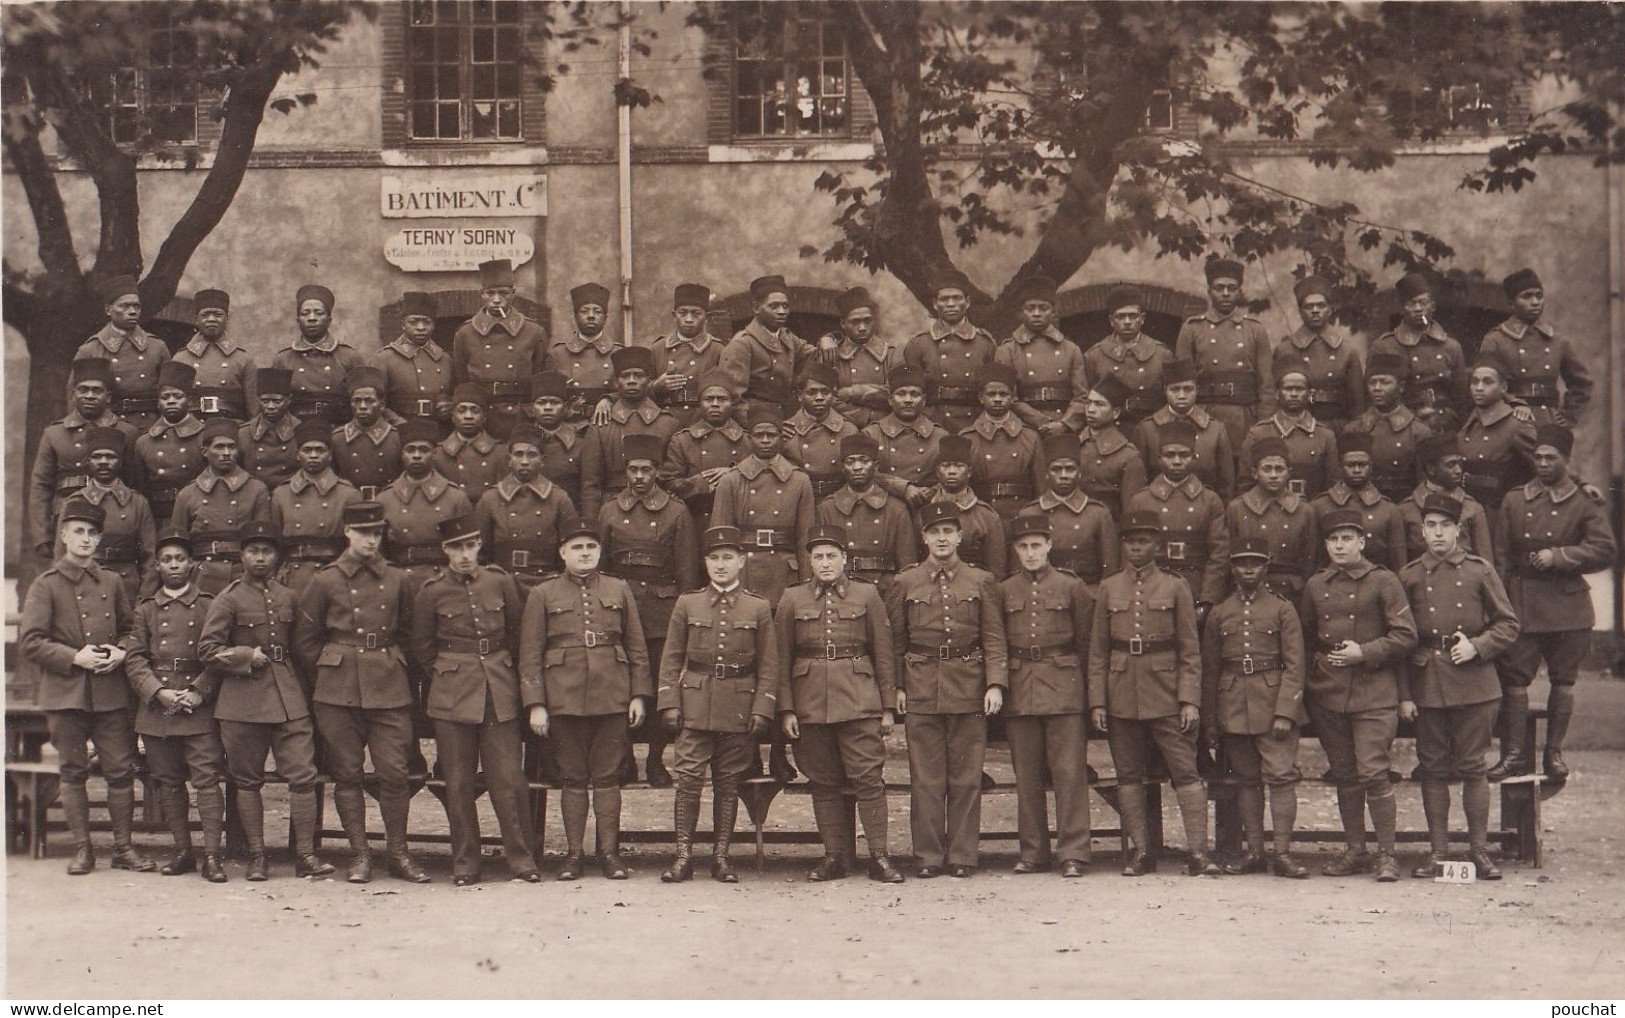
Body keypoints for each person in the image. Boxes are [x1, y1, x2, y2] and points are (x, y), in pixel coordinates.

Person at [292, 501, 429, 885]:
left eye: (377, 533)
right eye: (363, 532)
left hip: (388, 684)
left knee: (395, 773)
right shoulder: (325, 580)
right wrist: (331, 666)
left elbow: (409, 632)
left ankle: (398, 854)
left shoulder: (398, 579)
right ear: (347, 533)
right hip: (337, 689)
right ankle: (360, 855)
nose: (371, 540)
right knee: (347, 773)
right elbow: (305, 640)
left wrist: (395, 666)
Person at [19, 498, 154, 875]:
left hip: (110, 693)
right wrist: (74, 658)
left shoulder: (111, 581)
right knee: (73, 770)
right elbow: (31, 642)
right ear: (63, 535)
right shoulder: (45, 585)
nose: (85, 539)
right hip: (65, 693)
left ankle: (124, 849)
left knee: (120, 770)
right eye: (78, 531)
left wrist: (119, 651)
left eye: (93, 532)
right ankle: (83, 850)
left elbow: (131, 631)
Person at [198, 521, 335, 881]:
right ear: (242, 556)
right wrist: (244, 655)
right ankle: (258, 855)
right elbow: (207, 651)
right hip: (242, 700)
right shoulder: (227, 599)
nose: (260, 558)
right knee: (246, 780)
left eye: (267, 551)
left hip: (288, 695)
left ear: (278, 557)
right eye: (253, 551)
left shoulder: (289, 596)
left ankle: (305, 854)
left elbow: (303, 646)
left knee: (304, 776)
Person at [410, 514, 541, 885]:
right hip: (452, 693)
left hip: (498, 690)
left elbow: (518, 633)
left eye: (470, 546)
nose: (464, 554)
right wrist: (450, 670)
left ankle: (522, 859)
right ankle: (465, 862)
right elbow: (422, 645)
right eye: (456, 548)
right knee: (458, 781)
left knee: (508, 779)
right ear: (445, 550)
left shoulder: (500, 582)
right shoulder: (431, 591)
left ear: (479, 546)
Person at [1087, 510, 1215, 876]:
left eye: (1144, 541)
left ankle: (1198, 854)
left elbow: (1190, 651)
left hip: (1167, 694)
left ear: (1157, 545)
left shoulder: (1176, 587)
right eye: (1131, 541)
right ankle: (1142, 853)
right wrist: (1098, 701)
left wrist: (1189, 699)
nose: (1137, 547)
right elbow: (1098, 651)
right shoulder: (1109, 588)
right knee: (1128, 776)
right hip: (1121, 693)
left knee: (1186, 774)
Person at [521, 520, 651, 880]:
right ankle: (574, 855)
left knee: (608, 778)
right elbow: (530, 654)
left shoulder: (618, 588)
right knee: (573, 779)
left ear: (599, 552)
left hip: (612, 695)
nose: (584, 554)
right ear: (563, 553)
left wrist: (639, 695)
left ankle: (609, 854)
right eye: (576, 548)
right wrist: (536, 703)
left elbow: (636, 647)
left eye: (590, 548)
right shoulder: (543, 594)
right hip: (562, 697)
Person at [1399, 494, 1520, 880]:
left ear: (1458, 529)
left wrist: (1478, 646)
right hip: (1428, 681)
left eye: (1445, 526)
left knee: (1473, 768)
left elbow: (1508, 624)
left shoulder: (1479, 571)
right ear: (1421, 531)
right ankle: (1438, 852)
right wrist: (1405, 692)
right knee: (1433, 768)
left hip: (1474, 682)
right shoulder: (1409, 575)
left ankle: (1479, 851)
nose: (1437, 533)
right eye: (1430, 526)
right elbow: (1399, 639)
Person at [775, 525, 904, 883]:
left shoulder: (866, 595)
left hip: (859, 699)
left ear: (844, 559)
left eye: (832, 556)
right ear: (809, 561)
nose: (825, 563)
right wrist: (786, 709)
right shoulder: (792, 598)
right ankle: (834, 856)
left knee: (868, 778)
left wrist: (887, 706)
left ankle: (879, 856)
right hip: (810, 702)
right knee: (823, 781)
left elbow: (883, 652)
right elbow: (780, 659)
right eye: (818, 556)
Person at [886, 502, 1008, 879]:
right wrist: (896, 689)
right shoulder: (905, 582)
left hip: (969, 685)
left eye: (948, 532)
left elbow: (993, 636)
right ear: (924, 538)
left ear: (959, 537)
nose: (941, 539)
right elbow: (894, 642)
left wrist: (995, 683)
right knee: (925, 778)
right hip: (921, 685)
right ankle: (927, 856)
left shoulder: (980, 581)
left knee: (966, 777)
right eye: (934, 532)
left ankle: (962, 856)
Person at [656, 526, 781, 883]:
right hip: (693, 705)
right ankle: (683, 856)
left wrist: (762, 709)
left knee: (727, 784)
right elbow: (671, 658)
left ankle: (721, 857)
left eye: (728, 557)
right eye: (714, 558)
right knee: (689, 781)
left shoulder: (757, 608)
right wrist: (669, 702)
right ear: (705, 562)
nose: (721, 565)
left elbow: (768, 666)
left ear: (742, 561)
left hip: (738, 706)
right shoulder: (687, 603)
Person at [1491, 425, 1615, 781]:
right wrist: (1501, 605)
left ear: (1567, 460)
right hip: (1522, 602)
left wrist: (1559, 556)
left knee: (1563, 681)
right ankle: (1514, 754)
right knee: (1514, 679)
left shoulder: (1583, 502)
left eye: (1551, 457)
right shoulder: (1514, 499)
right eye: (1538, 457)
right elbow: (1500, 557)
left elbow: (1605, 549)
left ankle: (1554, 754)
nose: (1543, 463)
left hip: (1567, 606)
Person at [1300, 509, 1418, 881]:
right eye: (1333, 540)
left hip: (1374, 692)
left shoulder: (1384, 581)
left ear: (1362, 542)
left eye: (1347, 538)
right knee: (1346, 774)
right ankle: (1355, 851)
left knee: (1373, 772)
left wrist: (1364, 653)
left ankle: (1386, 854)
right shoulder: (1316, 585)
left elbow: (1406, 635)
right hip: (1329, 694)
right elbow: (1304, 639)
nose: (1339, 546)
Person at [121, 528, 226, 882]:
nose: (174, 565)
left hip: (197, 704)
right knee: (167, 781)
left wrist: (200, 690)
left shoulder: (210, 604)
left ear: (192, 563)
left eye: (180, 558)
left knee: (206, 780)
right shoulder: (146, 609)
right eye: (166, 559)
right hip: (160, 707)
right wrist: (157, 692)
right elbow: (134, 659)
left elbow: (219, 654)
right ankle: (183, 850)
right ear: (158, 565)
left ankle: (212, 855)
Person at [1200, 538, 1310, 878]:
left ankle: (1283, 854)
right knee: (1247, 781)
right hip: (1233, 705)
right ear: (1232, 568)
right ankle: (1256, 853)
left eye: (1256, 563)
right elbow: (1211, 669)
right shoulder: (1220, 612)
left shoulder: (1282, 609)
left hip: (1273, 702)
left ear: (1266, 566)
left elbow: (1295, 665)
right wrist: (1212, 720)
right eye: (1242, 563)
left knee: (1280, 778)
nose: (1249, 569)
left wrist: (1285, 712)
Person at [599, 432, 700, 787]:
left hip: (662, 611)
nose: (639, 477)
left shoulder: (677, 511)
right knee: (620, 686)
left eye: (646, 470)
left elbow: (687, 572)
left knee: (660, 688)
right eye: (632, 470)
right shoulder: (609, 511)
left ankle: (656, 760)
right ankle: (624, 759)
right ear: (625, 471)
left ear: (657, 470)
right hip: (622, 609)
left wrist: (685, 617)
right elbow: (602, 569)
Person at [1000, 514, 1094, 877]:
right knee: (1027, 776)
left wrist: (1086, 693)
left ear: (1049, 546)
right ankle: (1033, 851)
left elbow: (1087, 644)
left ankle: (1073, 852)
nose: (1029, 553)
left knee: (1070, 774)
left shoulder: (1072, 587)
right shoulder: (1005, 589)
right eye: (1023, 547)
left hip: (1064, 688)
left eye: (1036, 545)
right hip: (1021, 689)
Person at [30, 358, 141, 565]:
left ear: (108, 397)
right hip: (67, 516)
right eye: (83, 390)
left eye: (96, 391)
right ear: (73, 395)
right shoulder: (55, 434)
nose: (89, 395)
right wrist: (42, 534)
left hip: (114, 518)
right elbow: (41, 486)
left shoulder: (127, 432)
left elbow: (134, 483)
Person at [710, 405, 814, 606]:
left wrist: (806, 584)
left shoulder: (799, 481)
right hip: (744, 573)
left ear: (782, 437)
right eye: (759, 435)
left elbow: (805, 540)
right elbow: (720, 537)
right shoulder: (731, 481)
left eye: (771, 435)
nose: (765, 441)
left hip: (784, 574)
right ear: (749, 437)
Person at [1125, 418, 1226, 610]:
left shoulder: (1210, 500)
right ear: (1159, 459)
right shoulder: (1142, 500)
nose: (1177, 461)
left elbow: (1218, 554)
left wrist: (1206, 600)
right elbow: (1131, 553)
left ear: (1194, 457)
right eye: (1170, 455)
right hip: (1151, 588)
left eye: (1183, 455)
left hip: (1194, 587)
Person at [1175, 258, 1274, 449]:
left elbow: (1267, 385)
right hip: (1205, 416)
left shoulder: (1255, 330)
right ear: (1209, 292)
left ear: (1239, 291)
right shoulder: (1192, 329)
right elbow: (1181, 382)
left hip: (1244, 418)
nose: (1226, 293)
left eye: (1232, 288)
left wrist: (1264, 426)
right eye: (1219, 288)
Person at [1478, 268, 1592, 429]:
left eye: (1539, 295)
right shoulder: (1496, 340)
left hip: (1548, 422)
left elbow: (1582, 383)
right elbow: (1483, 386)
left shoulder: (1557, 341)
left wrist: (1567, 417)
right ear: (1511, 303)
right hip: (1510, 422)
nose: (1535, 302)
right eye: (1527, 296)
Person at [171, 419, 273, 595]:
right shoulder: (187, 494)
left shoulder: (256, 490)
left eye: (232, 447)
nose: (226, 453)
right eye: (219, 447)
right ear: (205, 451)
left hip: (243, 575)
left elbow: (263, 542)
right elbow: (178, 546)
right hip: (202, 577)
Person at [451, 258, 549, 440]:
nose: (496, 300)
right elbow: (461, 379)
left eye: (503, 293)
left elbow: (539, 374)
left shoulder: (534, 332)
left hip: (521, 414)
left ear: (513, 294)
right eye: (490, 293)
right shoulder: (465, 333)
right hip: (482, 416)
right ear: (482, 294)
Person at [472, 423, 579, 590]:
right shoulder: (490, 499)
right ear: (509, 460)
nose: (524, 461)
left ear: (542, 461)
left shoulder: (559, 499)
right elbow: (479, 554)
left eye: (531, 455)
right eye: (518, 454)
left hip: (547, 584)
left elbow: (570, 552)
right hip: (503, 584)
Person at [579, 345, 681, 520]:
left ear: (650, 381)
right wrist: (592, 525)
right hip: (612, 511)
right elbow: (590, 484)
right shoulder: (601, 424)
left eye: (639, 375)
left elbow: (673, 476)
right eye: (625, 376)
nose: (632, 381)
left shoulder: (667, 423)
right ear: (616, 382)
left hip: (658, 511)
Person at [1217, 437, 1319, 607]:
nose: (1273, 475)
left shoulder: (1304, 511)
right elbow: (1226, 558)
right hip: (1248, 592)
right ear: (1254, 473)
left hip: (1291, 594)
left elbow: (1310, 562)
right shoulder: (1238, 509)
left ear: (1288, 472)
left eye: (1279, 469)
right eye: (1267, 469)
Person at [817, 433, 919, 598]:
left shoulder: (896, 509)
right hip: (842, 593)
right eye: (850, 462)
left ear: (875, 466)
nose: (857, 467)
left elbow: (908, 566)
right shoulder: (827, 509)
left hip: (886, 592)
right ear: (842, 468)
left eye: (864, 461)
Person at [378, 419, 473, 591]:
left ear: (434, 453)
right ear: (401, 454)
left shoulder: (455, 498)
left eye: (423, 450)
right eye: (410, 450)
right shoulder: (385, 499)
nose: (416, 455)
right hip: (399, 582)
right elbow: (379, 553)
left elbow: (467, 552)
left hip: (444, 582)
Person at [902, 270, 1001, 433]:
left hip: (974, 425)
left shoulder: (985, 343)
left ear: (967, 302)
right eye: (944, 299)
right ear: (935, 304)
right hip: (932, 425)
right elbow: (908, 391)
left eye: (956, 298)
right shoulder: (919, 344)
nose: (950, 304)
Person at [1368, 272, 1468, 432]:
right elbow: (1373, 399)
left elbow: (1461, 399)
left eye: (1423, 303)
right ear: (1401, 308)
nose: (1418, 309)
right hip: (1399, 427)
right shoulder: (1384, 347)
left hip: (1443, 424)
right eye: (1411, 304)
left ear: (1433, 306)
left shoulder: (1451, 347)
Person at [270, 421, 361, 595]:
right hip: (293, 578)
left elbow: (355, 546)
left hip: (334, 575)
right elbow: (274, 544)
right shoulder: (281, 494)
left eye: (320, 450)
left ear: (330, 455)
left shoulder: (348, 494)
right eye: (307, 450)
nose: (313, 455)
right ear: (297, 455)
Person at [70, 275, 170, 430]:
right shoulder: (91, 349)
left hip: (149, 429)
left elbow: (170, 393)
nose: (132, 312)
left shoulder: (157, 347)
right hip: (106, 429)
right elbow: (74, 399)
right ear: (108, 310)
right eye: (124, 306)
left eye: (136, 307)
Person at [721, 274, 825, 419]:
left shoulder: (786, 337)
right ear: (757, 308)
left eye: (785, 306)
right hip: (757, 421)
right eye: (773, 306)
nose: (781, 312)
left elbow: (817, 356)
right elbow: (733, 399)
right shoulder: (742, 344)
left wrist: (829, 339)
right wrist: (763, 424)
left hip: (785, 415)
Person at [996, 275, 1089, 436]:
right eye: (1030, 308)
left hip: (1063, 429)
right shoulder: (1008, 350)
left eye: (1043, 308)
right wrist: (1042, 422)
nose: (1037, 313)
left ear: (1054, 312)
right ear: (1021, 313)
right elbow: (1008, 397)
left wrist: (1064, 424)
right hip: (1024, 429)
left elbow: (1081, 396)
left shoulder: (1071, 349)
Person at [70, 426, 155, 601]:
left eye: (110, 457)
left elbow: (150, 556)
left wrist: (145, 598)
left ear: (121, 462)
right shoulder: (75, 501)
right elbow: (62, 557)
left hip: (127, 588)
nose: (103, 462)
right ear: (88, 461)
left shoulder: (137, 502)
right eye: (96, 457)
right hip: (84, 588)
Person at [1025, 433, 1118, 590]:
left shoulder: (1098, 514)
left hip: (1088, 593)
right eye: (1056, 469)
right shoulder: (1031, 513)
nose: (1063, 476)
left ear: (1079, 473)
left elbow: (1110, 571)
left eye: (1070, 469)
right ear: (1046, 473)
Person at [1134, 358, 1236, 500]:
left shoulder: (1215, 430)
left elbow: (1226, 484)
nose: (1181, 396)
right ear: (1165, 390)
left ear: (1197, 390)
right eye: (1175, 389)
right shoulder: (1147, 430)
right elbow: (1139, 483)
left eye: (1188, 389)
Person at [1273, 275, 1363, 433]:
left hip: (1338, 428)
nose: (1315, 311)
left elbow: (1357, 403)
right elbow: (1274, 398)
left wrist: (1353, 432)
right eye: (1309, 306)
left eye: (1321, 305)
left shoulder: (1347, 351)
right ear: (1300, 311)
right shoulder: (1285, 350)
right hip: (1295, 428)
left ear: (1330, 309)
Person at [1310, 431, 1407, 574]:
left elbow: (1399, 565)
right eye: (1350, 465)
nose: (1357, 470)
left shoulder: (1389, 510)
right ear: (1340, 466)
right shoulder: (1320, 506)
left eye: (1362, 465)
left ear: (1371, 466)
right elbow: (1313, 561)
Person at [659, 371, 751, 523]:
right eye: (709, 399)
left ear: (732, 404)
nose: (715, 404)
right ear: (700, 403)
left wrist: (733, 475)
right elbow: (667, 483)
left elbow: (762, 483)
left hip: (737, 521)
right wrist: (700, 483)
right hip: (693, 520)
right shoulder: (682, 441)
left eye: (722, 399)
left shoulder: (747, 441)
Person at [1345, 352, 1433, 504]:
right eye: (1372, 383)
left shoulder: (1418, 432)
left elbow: (1423, 485)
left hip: (1403, 505)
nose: (1377, 388)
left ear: (1401, 387)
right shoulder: (1354, 429)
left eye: (1384, 382)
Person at [961, 363, 1045, 522]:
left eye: (1003, 394)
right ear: (981, 397)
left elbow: (1041, 489)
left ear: (1013, 397)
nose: (997, 399)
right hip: (980, 518)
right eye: (991, 394)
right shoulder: (968, 438)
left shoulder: (1030, 437)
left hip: (1021, 517)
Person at [1238, 368, 1338, 499]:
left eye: (1300, 389)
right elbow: (1245, 485)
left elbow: (1332, 485)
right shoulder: (1258, 433)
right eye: (1288, 389)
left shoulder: (1325, 436)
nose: (1294, 394)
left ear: (1310, 395)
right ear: (1277, 394)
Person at [273, 284, 364, 427]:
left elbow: (362, 401)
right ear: (298, 320)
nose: (312, 318)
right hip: (296, 430)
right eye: (305, 313)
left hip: (338, 430)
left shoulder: (349, 357)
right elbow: (274, 405)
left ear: (329, 320)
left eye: (319, 313)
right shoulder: (283, 359)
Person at [917, 434, 1008, 577]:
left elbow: (996, 573)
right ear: (937, 472)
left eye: (959, 466)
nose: (952, 471)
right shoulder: (923, 513)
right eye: (946, 466)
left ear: (969, 472)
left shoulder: (987, 517)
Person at [1458, 352, 1537, 512]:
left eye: (1488, 382)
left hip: (1499, 513)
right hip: (1467, 512)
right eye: (1474, 382)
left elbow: (1544, 461)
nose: (1479, 388)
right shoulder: (1468, 421)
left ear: (1503, 387)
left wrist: (1580, 485)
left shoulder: (1516, 425)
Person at [1082, 285, 1170, 427]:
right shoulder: (1095, 356)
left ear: (1142, 318)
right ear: (1111, 320)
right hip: (1111, 429)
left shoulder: (1161, 354)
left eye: (1133, 316)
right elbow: (1086, 400)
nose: (1127, 322)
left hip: (1151, 428)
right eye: (1121, 316)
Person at [131, 360, 205, 526]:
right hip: (158, 516)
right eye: (165, 397)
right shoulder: (144, 442)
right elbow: (141, 488)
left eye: (178, 396)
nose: (171, 401)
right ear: (158, 403)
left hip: (194, 515)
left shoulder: (203, 437)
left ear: (190, 401)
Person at [1400, 432, 1494, 562]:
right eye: (1451, 465)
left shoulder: (1472, 508)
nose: (1458, 470)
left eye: (1459, 464)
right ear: (1431, 469)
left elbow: (1485, 562)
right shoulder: (1406, 510)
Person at [372, 291, 452, 433]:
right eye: (414, 321)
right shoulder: (384, 358)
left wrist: (449, 406)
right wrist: (398, 423)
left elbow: (455, 395)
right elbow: (374, 401)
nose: (421, 327)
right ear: (403, 324)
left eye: (427, 322)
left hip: (438, 430)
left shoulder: (445, 359)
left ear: (434, 324)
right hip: (399, 429)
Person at [173, 288, 256, 423]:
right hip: (192, 432)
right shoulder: (181, 359)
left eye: (217, 314)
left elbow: (254, 411)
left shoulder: (242, 359)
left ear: (227, 318)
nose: (211, 319)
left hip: (231, 430)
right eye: (205, 315)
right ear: (196, 320)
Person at [828, 286, 903, 430]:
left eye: (867, 321)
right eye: (855, 322)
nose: (862, 327)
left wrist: (852, 392)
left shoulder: (892, 354)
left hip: (885, 429)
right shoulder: (832, 354)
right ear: (843, 323)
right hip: (841, 429)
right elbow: (826, 397)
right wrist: (865, 415)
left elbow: (897, 394)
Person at [862, 366, 946, 492]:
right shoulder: (871, 434)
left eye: (914, 394)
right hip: (884, 506)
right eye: (901, 394)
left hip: (928, 505)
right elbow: (866, 474)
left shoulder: (940, 437)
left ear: (923, 401)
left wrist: (929, 492)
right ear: (890, 400)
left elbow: (950, 477)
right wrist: (904, 488)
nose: (908, 400)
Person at [782, 362, 860, 500]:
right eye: (812, 392)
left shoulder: (848, 430)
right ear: (800, 396)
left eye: (825, 392)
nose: (819, 397)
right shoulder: (786, 430)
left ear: (833, 395)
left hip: (836, 499)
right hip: (797, 498)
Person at [1077, 375, 1149, 519]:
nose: (1091, 409)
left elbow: (1131, 511)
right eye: (1088, 403)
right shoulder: (1073, 445)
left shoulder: (1128, 456)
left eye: (1099, 404)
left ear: (1116, 413)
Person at [551, 282, 624, 423]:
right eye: (584, 311)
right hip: (569, 425)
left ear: (605, 317)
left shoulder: (618, 353)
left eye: (597, 311)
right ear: (575, 316)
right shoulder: (558, 354)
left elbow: (629, 392)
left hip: (607, 424)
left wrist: (609, 399)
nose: (591, 316)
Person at [651, 283, 727, 416]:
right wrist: (656, 387)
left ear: (707, 318)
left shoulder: (718, 350)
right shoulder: (658, 348)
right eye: (682, 313)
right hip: (664, 419)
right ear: (674, 316)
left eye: (696, 313)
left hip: (701, 420)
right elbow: (639, 389)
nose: (689, 319)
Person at [329, 366, 402, 500]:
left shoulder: (396, 438)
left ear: (382, 405)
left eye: (369, 401)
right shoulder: (337, 438)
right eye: (357, 401)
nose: (362, 406)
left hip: (387, 502)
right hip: (349, 503)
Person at [433, 383, 509, 501]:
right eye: (462, 410)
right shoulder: (438, 454)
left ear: (484, 417)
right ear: (453, 416)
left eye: (475, 411)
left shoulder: (501, 453)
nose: (468, 416)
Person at [526, 370, 587, 509]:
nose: (547, 408)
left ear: (566, 407)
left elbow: (588, 488)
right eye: (541, 403)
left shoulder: (580, 445)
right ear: (532, 408)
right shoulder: (522, 444)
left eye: (554, 403)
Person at [237, 367, 302, 490]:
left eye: (277, 401)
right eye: (265, 401)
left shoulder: (300, 431)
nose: (270, 406)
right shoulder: (244, 433)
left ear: (288, 401)